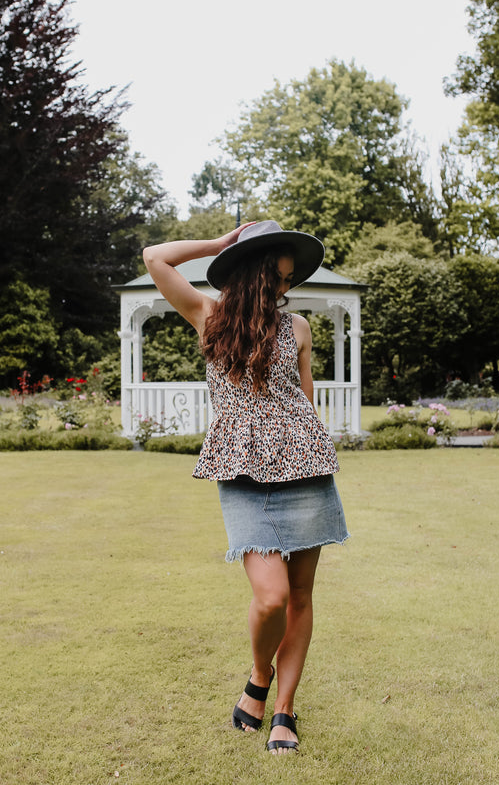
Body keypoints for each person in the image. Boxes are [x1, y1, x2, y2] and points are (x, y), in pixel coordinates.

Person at [143, 220, 348, 755]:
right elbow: (155, 258)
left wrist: (316, 445)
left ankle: (284, 708)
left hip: (304, 467)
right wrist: (217, 245)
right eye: (277, 279)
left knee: (300, 596)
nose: (285, 290)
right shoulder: (207, 314)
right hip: (240, 472)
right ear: (252, 274)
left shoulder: (299, 328)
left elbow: (303, 399)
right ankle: (260, 674)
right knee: (271, 596)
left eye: (289, 281)